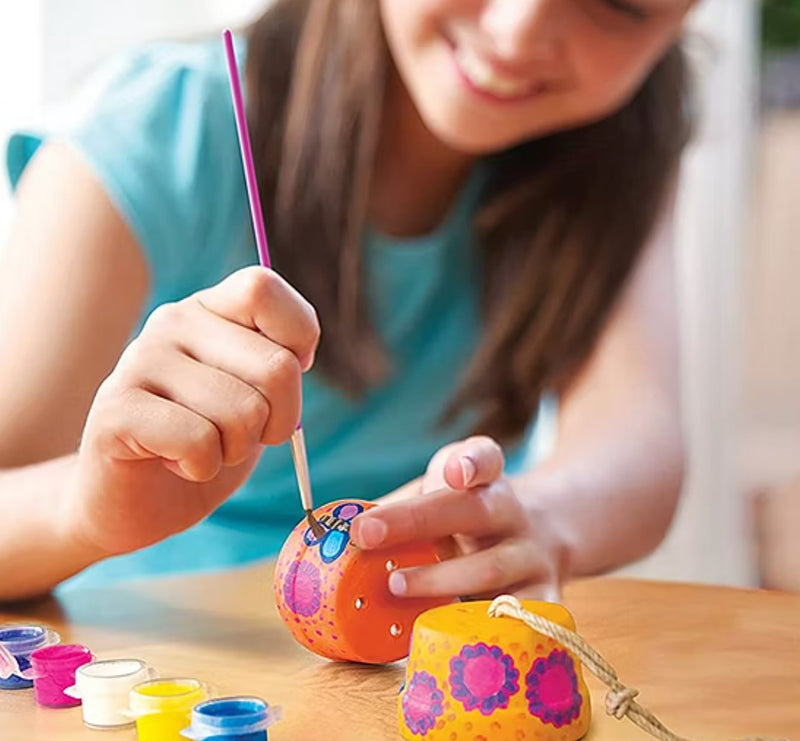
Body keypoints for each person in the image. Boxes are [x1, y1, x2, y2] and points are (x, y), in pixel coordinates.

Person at [0, 0, 695, 602]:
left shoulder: (619, 152)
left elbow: (636, 446)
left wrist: (541, 515)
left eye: (619, 3)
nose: (516, 32)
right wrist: (83, 511)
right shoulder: (159, 129)